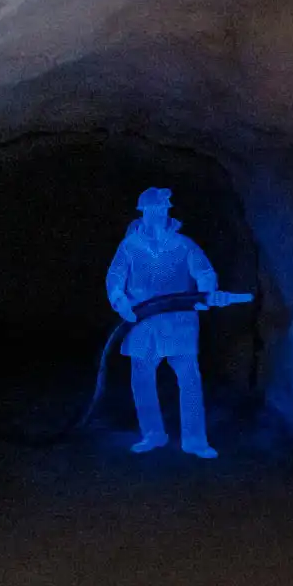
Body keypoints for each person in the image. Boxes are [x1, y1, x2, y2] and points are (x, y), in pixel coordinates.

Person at [104, 187, 231, 458]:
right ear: (144, 212)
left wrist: (207, 291)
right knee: (142, 380)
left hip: (178, 323)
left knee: (189, 379)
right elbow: (115, 277)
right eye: (155, 209)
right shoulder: (129, 247)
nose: (160, 214)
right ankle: (153, 434)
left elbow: (205, 272)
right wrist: (120, 301)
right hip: (142, 324)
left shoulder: (184, 245)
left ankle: (195, 440)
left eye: (164, 209)